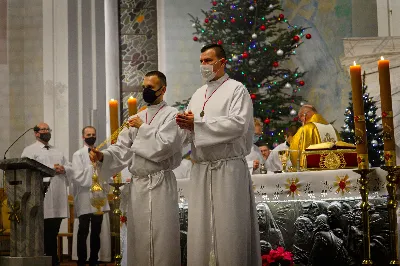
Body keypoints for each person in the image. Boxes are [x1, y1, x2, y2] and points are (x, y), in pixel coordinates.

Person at [89, 71, 187, 265]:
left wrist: (142, 127)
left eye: (150, 87)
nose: (146, 91)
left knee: (162, 236)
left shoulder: (172, 115)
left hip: (161, 184)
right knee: (139, 236)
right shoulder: (137, 116)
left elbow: (165, 147)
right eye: (144, 87)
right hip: (139, 187)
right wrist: (103, 156)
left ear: (163, 89)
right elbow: (122, 149)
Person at [176, 44, 261, 266]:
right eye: (201, 61)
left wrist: (198, 124)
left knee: (229, 227)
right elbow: (190, 129)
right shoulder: (197, 94)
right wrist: (184, 126)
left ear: (222, 62)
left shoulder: (236, 90)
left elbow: (238, 124)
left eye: (208, 60)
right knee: (201, 228)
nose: (204, 65)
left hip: (228, 169)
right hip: (202, 170)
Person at [21, 123, 70, 266]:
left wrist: (64, 168)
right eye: (43, 130)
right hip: (41, 196)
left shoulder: (58, 151)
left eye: (48, 130)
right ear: (36, 133)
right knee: (43, 232)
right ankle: (48, 260)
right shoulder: (29, 150)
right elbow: (26, 171)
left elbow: (70, 166)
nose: (46, 132)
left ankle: (52, 259)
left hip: (58, 195)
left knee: (53, 231)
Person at [69, 126, 111, 266]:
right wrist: (93, 166)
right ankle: (81, 261)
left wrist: (99, 163)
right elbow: (78, 176)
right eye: (88, 134)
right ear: (83, 137)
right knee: (83, 231)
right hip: (85, 196)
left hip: (98, 195)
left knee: (96, 231)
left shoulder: (101, 153)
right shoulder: (78, 154)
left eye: (93, 134)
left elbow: (106, 172)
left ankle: (94, 259)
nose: (91, 136)